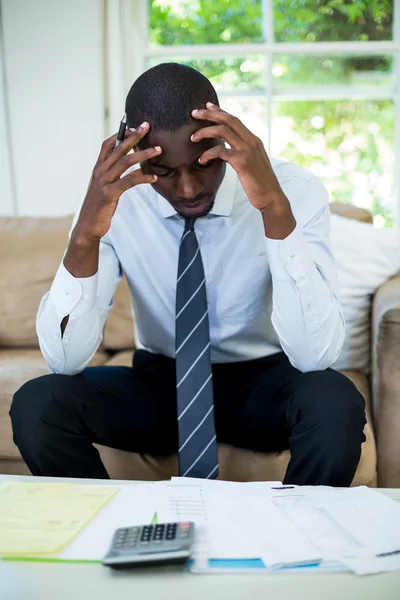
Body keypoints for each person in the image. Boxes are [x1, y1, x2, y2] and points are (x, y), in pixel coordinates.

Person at [10, 63, 366, 485]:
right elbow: (64, 359)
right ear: (134, 152)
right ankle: (104, 533)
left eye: (202, 166)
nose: (188, 190)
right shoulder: (116, 200)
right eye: (164, 173)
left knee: (335, 401)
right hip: (161, 385)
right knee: (38, 404)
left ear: (223, 137)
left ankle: (299, 537)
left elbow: (314, 356)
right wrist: (86, 234)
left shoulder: (294, 189)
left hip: (262, 383)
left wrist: (274, 208)